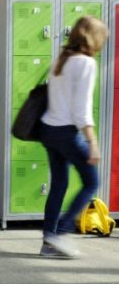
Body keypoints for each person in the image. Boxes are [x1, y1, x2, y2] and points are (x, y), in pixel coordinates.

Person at [38, 16, 108, 258]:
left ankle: (48, 242)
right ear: (94, 38)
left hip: (48, 129)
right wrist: (93, 143)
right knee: (91, 183)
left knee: (59, 184)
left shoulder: (61, 58)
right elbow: (81, 110)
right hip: (66, 132)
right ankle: (60, 234)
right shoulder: (86, 64)